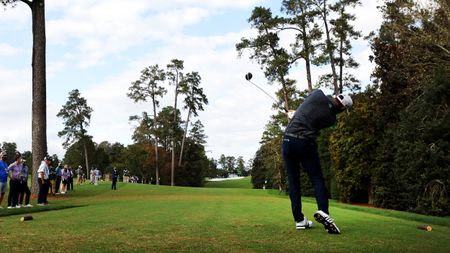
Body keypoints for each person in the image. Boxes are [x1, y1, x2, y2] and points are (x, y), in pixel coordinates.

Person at [282, 90, 353, 234]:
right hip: (305, 144)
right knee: (316, 179)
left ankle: (299, 220)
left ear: (336, 96)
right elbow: (317, 114)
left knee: (293, 181)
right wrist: (296, 114)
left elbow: (309, 107)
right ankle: (324, 211)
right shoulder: (331, 119)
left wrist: (294, 114)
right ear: (342, 108)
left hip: (287, 140)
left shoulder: (318, 94)